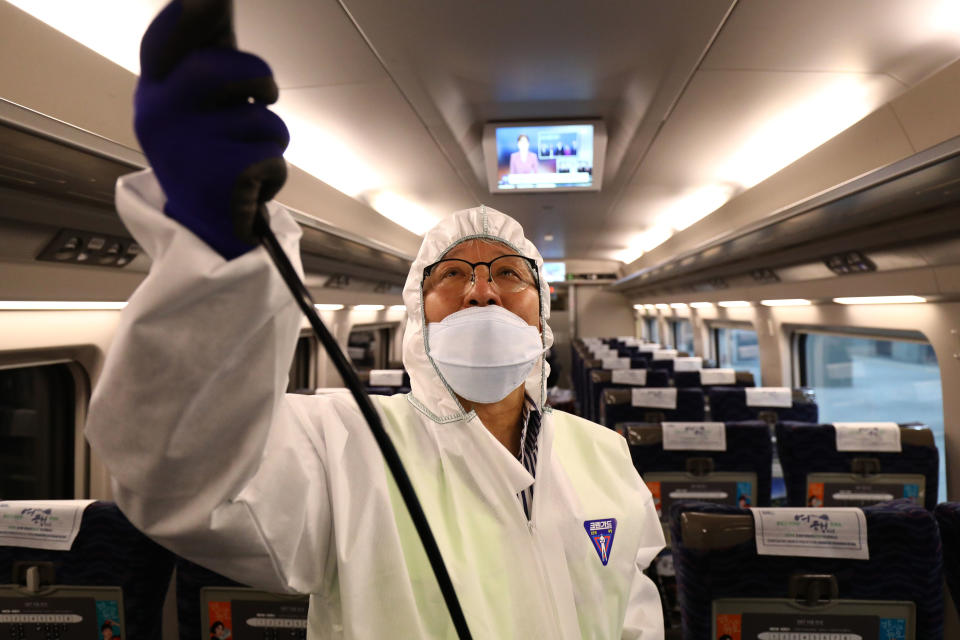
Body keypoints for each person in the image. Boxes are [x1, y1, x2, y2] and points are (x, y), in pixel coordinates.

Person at [85, 1, 664, 638]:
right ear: (417, 311)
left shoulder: (605, 455)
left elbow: (635, 618)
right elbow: (186, 478)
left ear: (542, 313)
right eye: (452, 275)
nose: (481, 292)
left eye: (507, 274)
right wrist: (217, 253)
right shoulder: (347, 443)